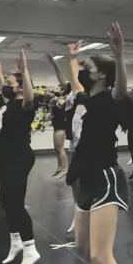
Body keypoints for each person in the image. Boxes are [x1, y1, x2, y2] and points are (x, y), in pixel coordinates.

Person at [66, 23, 133, 264]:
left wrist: (119, 56)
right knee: (82, 249)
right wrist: (70, 58)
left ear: (101, 75)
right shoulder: (86, 98)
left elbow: (122, 88)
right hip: (86, 179)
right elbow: (72, 76)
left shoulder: (109, 99)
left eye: (88, 67)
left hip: (106, 178)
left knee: (101, 256)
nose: (83, 69)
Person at [0, 50, 40, 264]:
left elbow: (29, 97)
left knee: (15, 203)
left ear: (21, 87)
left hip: (18, 158)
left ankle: (30, 249)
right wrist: (1, 73)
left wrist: (25, 69)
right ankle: (15, 242)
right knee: (6, 202)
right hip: (4, 157)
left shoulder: (26, 105)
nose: (6, 86)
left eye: (11, 83)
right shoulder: (10, 102)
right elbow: (2, 84)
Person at [46, 53, 81, 233]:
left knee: (87, 181)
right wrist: (55, 63)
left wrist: (72, 60)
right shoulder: (70, 92)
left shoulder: (85, 93)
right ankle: (79, 213)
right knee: (74, 179)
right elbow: (63, 79)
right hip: (75, 141)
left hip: (89, 142)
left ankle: (89, 215)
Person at [50, 88, 68, 179]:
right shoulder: (55, 100)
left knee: (60, 148)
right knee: (56, 149)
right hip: (56, 126)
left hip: (61, 126)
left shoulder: (63, 100)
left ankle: (64, 170)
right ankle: (59, 167)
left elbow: (60, 105)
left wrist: (59, 99)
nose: (55, 89)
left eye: (57, 88)